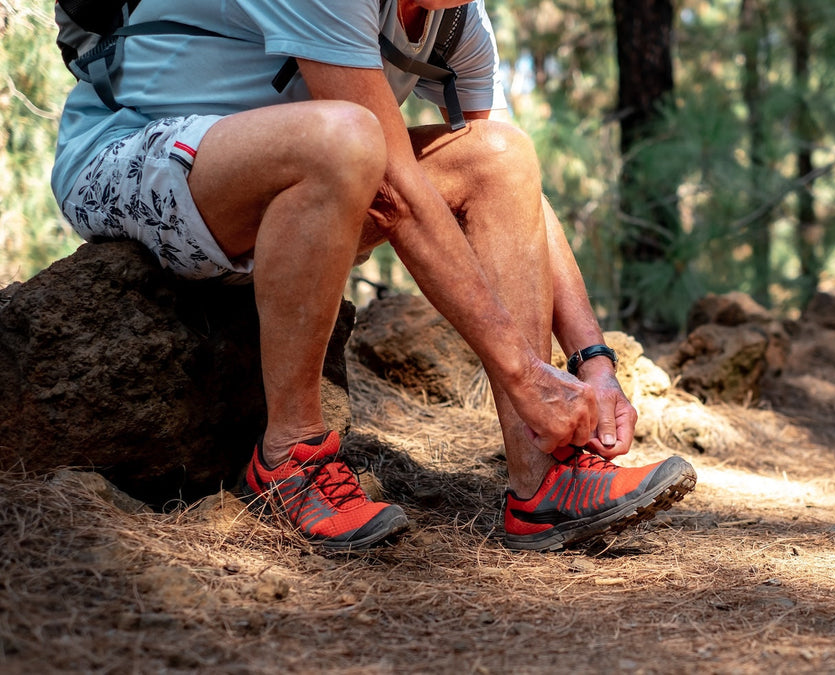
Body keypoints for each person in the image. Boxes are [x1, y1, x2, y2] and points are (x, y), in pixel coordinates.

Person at [51, 0, 696, 552]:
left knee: (501, 155)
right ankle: (289, 458)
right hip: (132, 156)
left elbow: (515, 192)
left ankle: (545, 479)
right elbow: (393, 179)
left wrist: (593, 361)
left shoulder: (456, 24)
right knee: (345, 139)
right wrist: (525, 374)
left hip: (294, 189)